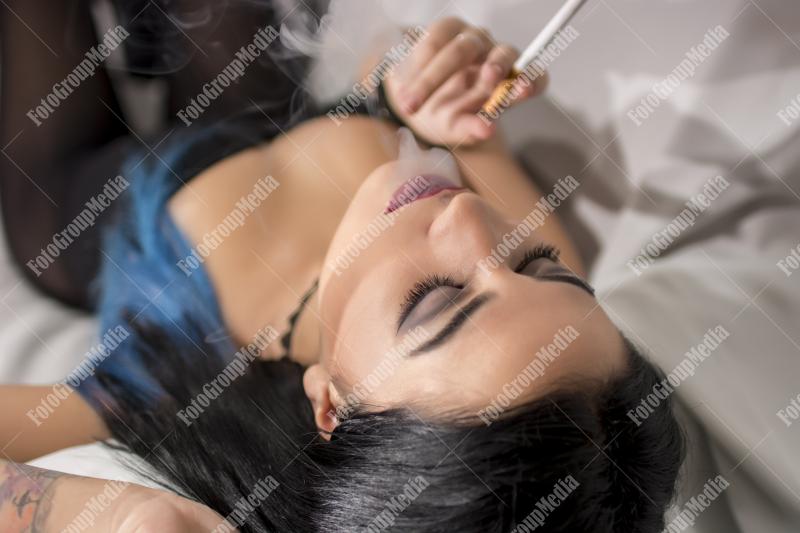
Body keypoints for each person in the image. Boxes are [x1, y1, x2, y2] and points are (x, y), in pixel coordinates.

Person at [0, 1, 684, 531]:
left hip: (84, 201)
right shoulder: (539, 323)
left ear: (332, 404)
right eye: (540, 267)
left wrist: (119, 515)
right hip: (259, 108)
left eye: (436, 301)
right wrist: (419, 81)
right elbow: (390, 58)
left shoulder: (178, 392)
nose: (469, 218)